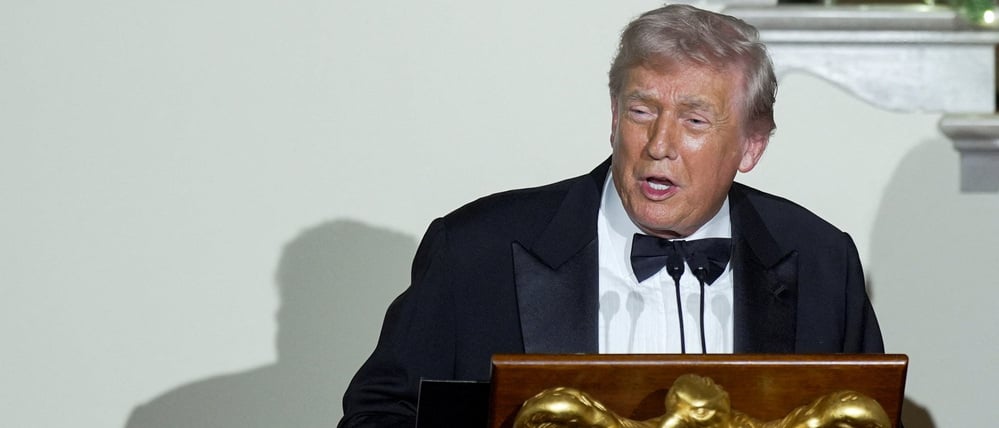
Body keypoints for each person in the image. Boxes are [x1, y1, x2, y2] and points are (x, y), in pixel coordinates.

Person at [338, 4, 884, 427]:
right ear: (614, 116)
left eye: (694, 121)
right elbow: (377, 417)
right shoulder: (474, 251)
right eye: (641, 112)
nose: (659, 144)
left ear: (751, 147)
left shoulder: (821, 262)